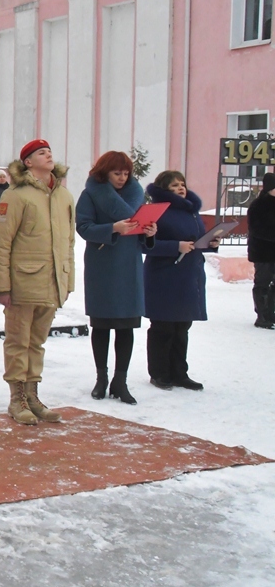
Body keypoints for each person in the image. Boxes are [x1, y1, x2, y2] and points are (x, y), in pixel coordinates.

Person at [0, 139, 74, 425]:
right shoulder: (15, 195)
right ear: (27, 162)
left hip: (50, 282)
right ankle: (17, 399)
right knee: (18, 342)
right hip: (23, 281)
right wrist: (2, 286)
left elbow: (69, 242)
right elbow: (1, 243)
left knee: (37, 343)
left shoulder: (63, 196)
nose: (48, 154)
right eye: (41, 152)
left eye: (49, 151)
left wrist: (67, 278)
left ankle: (33, 396)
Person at [75, 152, 156, 405]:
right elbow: (83, 227)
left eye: (125, 174)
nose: (122, 178)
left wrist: (150, 231)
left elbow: (142, 229)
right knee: (101, 325)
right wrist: (112, 228)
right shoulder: (90, 194)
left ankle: (120, 381)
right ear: (104, 172)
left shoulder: (136, 194)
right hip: (102, 265)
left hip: (129, 265)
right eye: (116, 173)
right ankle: (101, 378)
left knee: (126, 325)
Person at [143, 170, 212, 390]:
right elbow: (145, 245)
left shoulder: (192, 211)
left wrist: (209, 242)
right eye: (174, 186)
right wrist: (175, 247)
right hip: (164, 276)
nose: (181, 188)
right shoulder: (155, 211)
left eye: (182, 184)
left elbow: (195, 239)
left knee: (183, 326)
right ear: (164, 190)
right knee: (163, 326)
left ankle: (179, 373)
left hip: (189, 275)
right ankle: (159, 373)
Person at [249, 172, 275, 329]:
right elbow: (257, 229)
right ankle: (262, 315)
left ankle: (271, 313)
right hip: (262, 252)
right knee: (263, 282)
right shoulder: (259, 205)